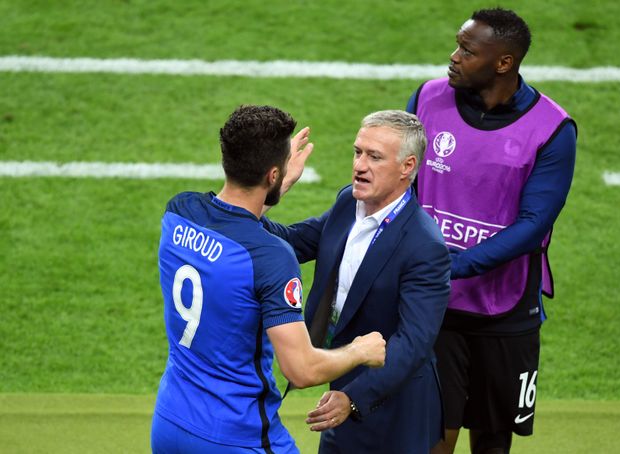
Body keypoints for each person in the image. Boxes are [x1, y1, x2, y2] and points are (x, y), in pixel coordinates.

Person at [151, 105, 386, 454]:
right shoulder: (271, 258)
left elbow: (233, 229)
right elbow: (301, 369)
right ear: (273, 174)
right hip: (236, 436)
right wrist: (359, 351)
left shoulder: (180, 212)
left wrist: (272, 189)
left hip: (169, 424)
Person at [406, 8, 577, 454]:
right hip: (434, 306)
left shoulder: (552, 129)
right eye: (457, 44)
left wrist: (454, 264)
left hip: (506, 311)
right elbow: (399, 184)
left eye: (467, 49)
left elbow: (534, 225)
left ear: (504, 62)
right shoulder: (427, 99)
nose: (454, 56)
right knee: (430, 437)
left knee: (493, 442)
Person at [262, 110, 451, 453]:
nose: (360, 165)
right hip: (343, 392)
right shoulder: (349, 202)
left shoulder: (425, 246)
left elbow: (412, 344)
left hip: (396, 411)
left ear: (408, 167)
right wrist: (270, 189)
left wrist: (352, 398)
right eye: (358, 152)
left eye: (374, 156)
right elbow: (286, 242)